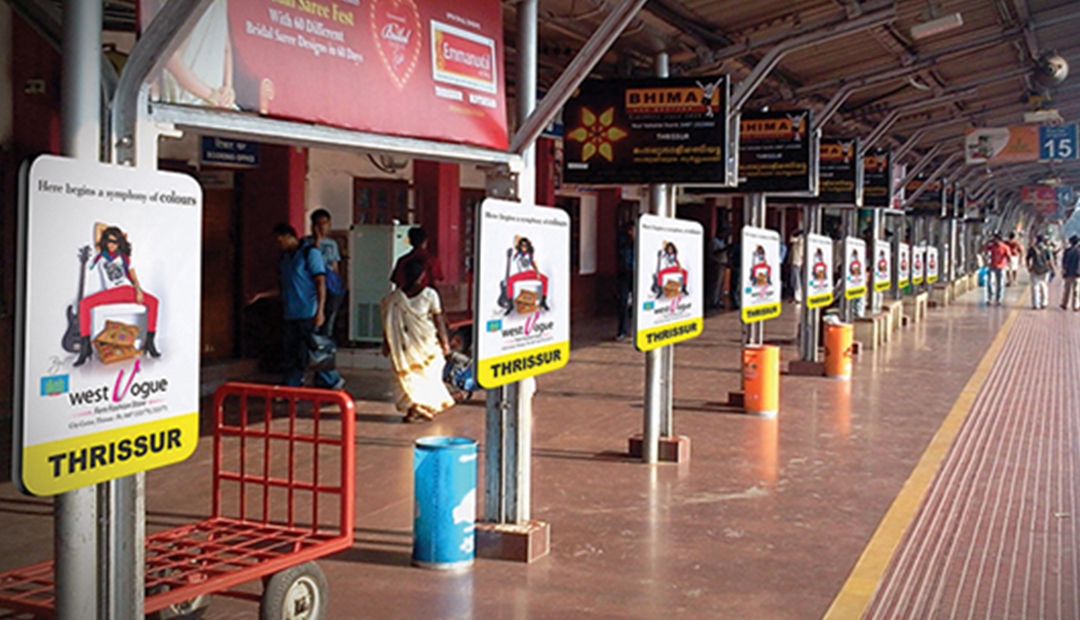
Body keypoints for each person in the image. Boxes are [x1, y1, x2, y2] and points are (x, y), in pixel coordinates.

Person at [74, 225, 162, 366]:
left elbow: (132, 275)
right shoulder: (101, 255)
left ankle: (150, 343)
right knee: (84, 304)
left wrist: (138, 289)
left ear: (119, 243)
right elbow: (98, 227)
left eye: (115, 242)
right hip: (110, 292)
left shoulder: (124, 257)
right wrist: (118, 232)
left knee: (154, 302)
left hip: (127, 289)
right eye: (109, 241)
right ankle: (86, 347)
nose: (112, 244)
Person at [381, 259, 455, 422]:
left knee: (409, 377)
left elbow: (387, 323)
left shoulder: (392, 299)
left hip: (402, 348)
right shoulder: (429, 295)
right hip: (426, 344)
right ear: (422, 275)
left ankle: (415, 409)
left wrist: (386, 343)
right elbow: (439, 321)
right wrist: (445, 343)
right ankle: (417, 409)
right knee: (429, 374)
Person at [272, 223, 344, 389]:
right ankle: (293, 384)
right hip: (290, 312)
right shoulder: (285, 259)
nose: (278, 245)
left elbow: (320, 282)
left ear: (289, 237)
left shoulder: (310, 254)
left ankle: (332, 379)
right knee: (292, 351)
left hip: (307, 312)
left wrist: (320, 310)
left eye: (279, 240)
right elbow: (286, 285)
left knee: (312, 350)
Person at [305, 209, 345, 337]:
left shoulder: (332, 244)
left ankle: (325, 341)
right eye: (320, 223)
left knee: (329, 317)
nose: (323, 226)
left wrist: (337, 284)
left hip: (330, 285)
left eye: (326, 223)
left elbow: (335, 266)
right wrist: (317, 239)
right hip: (312, 285)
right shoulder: (306, 243)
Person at [981, 233, 1012, 306]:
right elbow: (982, 249)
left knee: (1000, 284)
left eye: (996, 239)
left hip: (1001, 267)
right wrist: (988, 242)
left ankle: (999, 299)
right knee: (989, 282)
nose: (995, 241)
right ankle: (990, 298)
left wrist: (1009, 268)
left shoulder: (1005, 247)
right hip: (992, 266)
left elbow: (1008, 257)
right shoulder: (992, 246)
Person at [1025, 234, 1055, 309]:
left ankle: (1036, 304)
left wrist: (1028, 267)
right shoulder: (1047, 249)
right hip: (1045, 270)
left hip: (1035, 269)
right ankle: (1044, 303)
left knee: (1035, 287)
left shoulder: (1032, 249)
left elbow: (1027, 258)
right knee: (1044, 286)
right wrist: (1053, 269)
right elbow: (1050, 261)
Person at [615, 222, 634, 340]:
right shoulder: (623, 241)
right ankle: (622, 330)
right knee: (623, 302)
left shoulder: (642, 242)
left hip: (637, 275)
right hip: (624, 274)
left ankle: (636, 329)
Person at [1061, 235, 1080, 311]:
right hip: (1077, 273)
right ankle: (1076, 305)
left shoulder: (1067, 251)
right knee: (1076, 290)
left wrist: (1064, 271)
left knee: (1067, 290)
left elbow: (1064, 262)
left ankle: (1064, 304)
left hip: (1068, 273)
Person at [788, 230, 804, 304]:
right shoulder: (802, 241)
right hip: (797, 261)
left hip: (796, 261)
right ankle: (796, 296)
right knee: (794, 279)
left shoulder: (799, 240)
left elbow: (791, 239)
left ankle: (798, 297)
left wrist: (793, 233)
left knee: (795, 279)